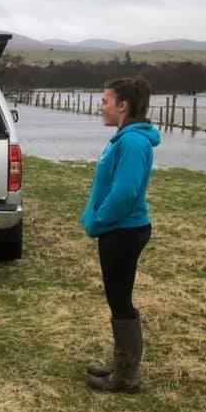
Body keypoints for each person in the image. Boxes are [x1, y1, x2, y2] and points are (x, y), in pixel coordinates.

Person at [81, 76, 161, 393]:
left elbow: (125, 192)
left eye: (105, 101)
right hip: (119, 230)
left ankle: (126, 377)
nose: (102, 107)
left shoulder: (132, 142)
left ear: (123, 105)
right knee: (117, 299)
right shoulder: (125, 138)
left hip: (124, 231)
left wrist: (99, 220)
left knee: (120, 300)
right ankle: (121, 362)